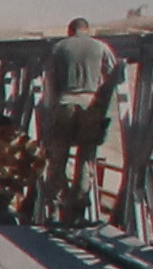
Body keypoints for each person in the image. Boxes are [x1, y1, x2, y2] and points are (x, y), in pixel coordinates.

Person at [34, 17, 122, 210]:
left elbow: (49, 80)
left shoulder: (59, 48)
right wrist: (101, 100)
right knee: (86, 156)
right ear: (88, 30)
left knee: (58, 155)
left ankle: (54, 205)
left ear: (70, 30)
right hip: (90, 104)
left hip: (64, 103)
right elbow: (115, 75)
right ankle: (79, 205)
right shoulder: (101, 47)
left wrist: (50, 109)